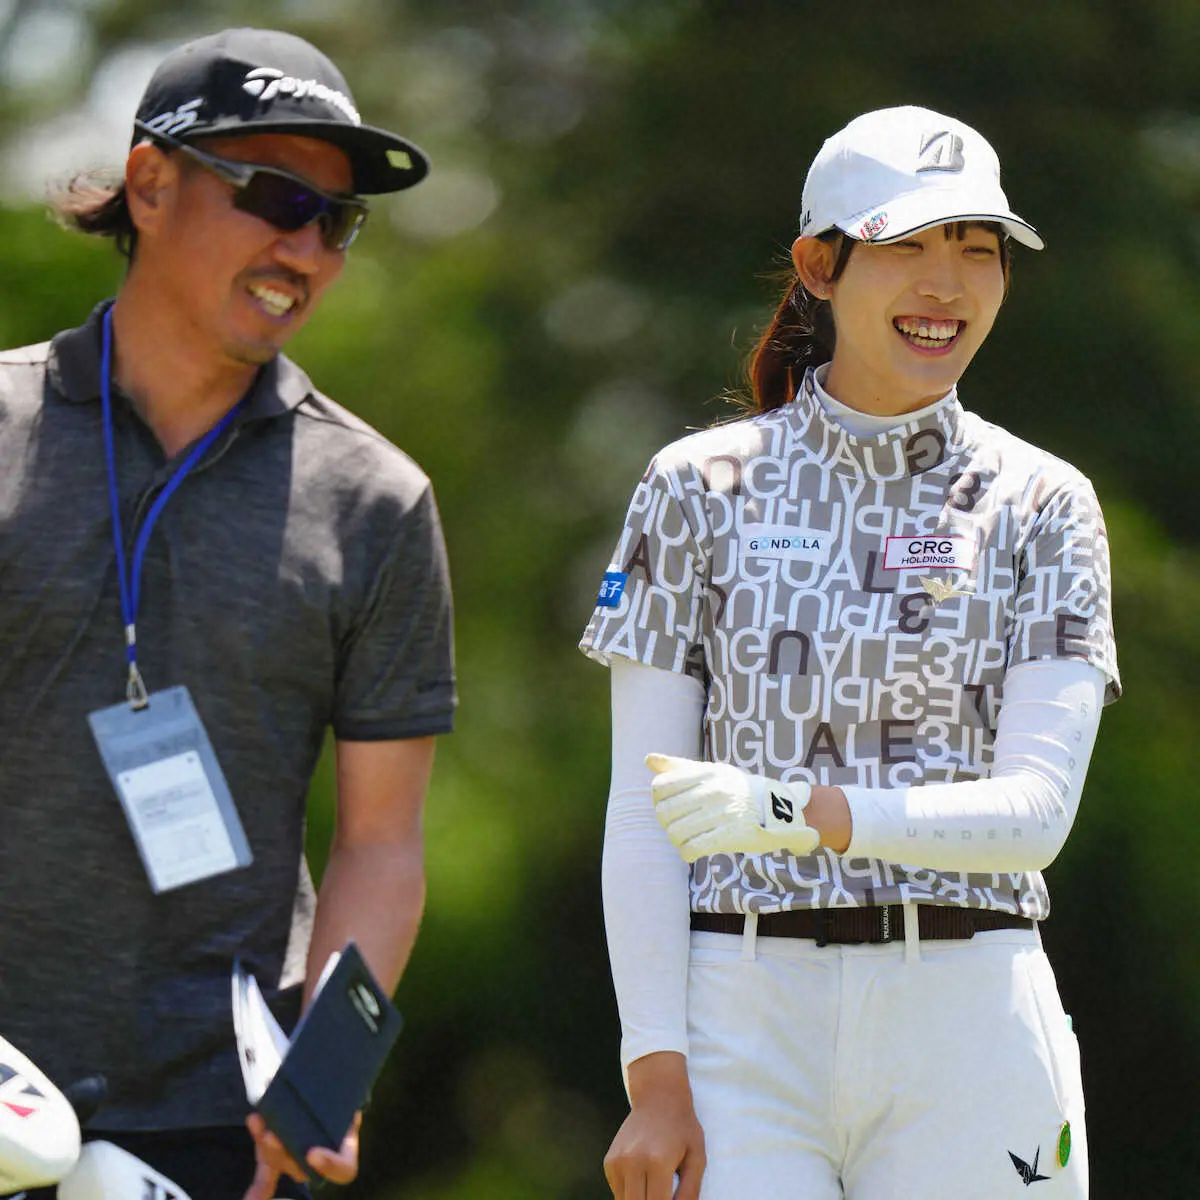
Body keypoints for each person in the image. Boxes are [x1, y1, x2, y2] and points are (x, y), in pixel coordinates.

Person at [580, 105, 1119, 1199]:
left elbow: (1036, 816)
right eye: (909, 246)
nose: (949, 285)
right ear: (819, 266)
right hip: (741, 1015)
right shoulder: (697, 486)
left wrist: (803, 813)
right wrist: (654, 1073)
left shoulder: (1044, 501)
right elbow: (644, 809)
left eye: (978, 251)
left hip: (970, 1014)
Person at [0, 27, 455, 1200]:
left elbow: (381, 839)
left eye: (337, 221)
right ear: (150, 185)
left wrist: (327, 1074)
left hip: (219, 1129)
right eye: (273, 197)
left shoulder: (378, 503)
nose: (303, 246)